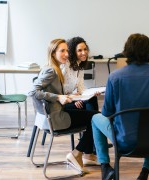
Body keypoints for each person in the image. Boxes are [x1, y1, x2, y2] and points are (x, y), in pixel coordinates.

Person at [91, 33, 149, 180]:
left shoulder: (115, 77)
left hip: (125, 141)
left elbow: (107, 113)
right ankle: (145, 172)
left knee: (95, 118)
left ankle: (105, 167)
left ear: (126, 51)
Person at [28, 39, 98, 172]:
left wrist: (68, 97)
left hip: (52, 115)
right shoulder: (52, 71)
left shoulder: (51, 68)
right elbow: (32, 91)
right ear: (53, 53)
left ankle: (85, 152)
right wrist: (58, 97)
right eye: (62, 51)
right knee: (96, 118)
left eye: (67, 50)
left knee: (93, 113)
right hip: (58, 118)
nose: (66, 54)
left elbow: (56, 92)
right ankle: (77, 153)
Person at [62, 36, 100, 112]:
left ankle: (93, 120)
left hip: (72, 98)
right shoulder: (65, 65)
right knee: (88, 105)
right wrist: (73, 98)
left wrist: (92, 93)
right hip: (63, 101)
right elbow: (57, 92)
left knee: (92, 98)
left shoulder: (80, 66)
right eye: (79, 50)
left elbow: (81, 88)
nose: (84, 52)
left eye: (85, 49)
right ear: (73, 52)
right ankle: (93, 120)